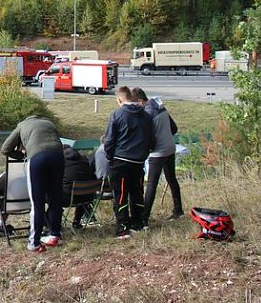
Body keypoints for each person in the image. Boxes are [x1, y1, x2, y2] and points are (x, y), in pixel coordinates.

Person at [0, 115, 65, 253]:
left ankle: (34, 242)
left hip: (37, 158)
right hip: (58, 157)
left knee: (37, 202)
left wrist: (23, 156)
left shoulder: (22, 126)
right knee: (55, 198)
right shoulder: (49, 123)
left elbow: (5, 149)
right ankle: (54, 235)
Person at [103, 86, 155, 239]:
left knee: (120, 195)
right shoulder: (146, 116)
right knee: (137, 193)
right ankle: (138, 223)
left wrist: (109, 156)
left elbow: (109, 139)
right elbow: (151, 139)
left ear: (120, 100)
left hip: (120, 160)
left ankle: (123, 228)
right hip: (138, 161)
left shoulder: (117, 114)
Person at [133, 88, 184, 225]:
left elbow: (147, 137)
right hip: (170, 148)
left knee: (151, 184)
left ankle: (144, 218)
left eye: (134, 104)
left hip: (158, 152)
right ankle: (178, 210)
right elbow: (174, 128)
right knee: (172, 179)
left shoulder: (147, 114)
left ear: (140, 101)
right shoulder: (160, 107)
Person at [61, 145, 98, 229]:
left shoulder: (62, 162)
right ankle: (77, 221)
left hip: (69, 198)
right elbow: (92, 177)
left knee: (52, 197)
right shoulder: (85, 160)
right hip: (88, 197)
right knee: (81, 190)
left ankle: (50, 221)